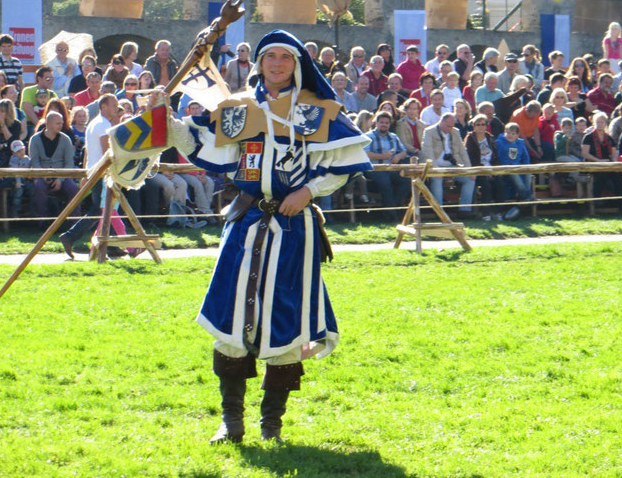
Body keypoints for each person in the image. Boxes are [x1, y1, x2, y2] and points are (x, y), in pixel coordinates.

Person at [165, 30, 371, 444]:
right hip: (245, 226)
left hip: (294, 232)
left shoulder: (316, 110)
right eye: (269, 57)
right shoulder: (240, 108)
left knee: (285, 325)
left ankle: (271, 425)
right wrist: (165, 121)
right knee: (232, 321)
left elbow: (344, 161)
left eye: (285, 58)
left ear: (297, 65)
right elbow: (208, 150)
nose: (276, 64)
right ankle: (232, 421)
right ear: (258, 63)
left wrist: (307, 192)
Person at [59, 94, 119, 258]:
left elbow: (87, 150)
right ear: (104, 106)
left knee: (104, 208)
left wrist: (87, 172)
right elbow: (107, 151)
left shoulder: (94, 123)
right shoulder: (103, 125)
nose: (116, 108)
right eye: (114, 105)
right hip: (102, 172)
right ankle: (70, 236)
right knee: (101, 209)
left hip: (95, 171)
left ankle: (112, 244)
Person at [29, 112, 80, 225]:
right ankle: (43, 221)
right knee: (39, 187)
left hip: (62, 174)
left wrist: (60, 179)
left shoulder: (65, 139)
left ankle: (74, 222)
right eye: (58, 123)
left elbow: (69, 162)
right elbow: (35, 161)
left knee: (74, 189)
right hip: (42, 174)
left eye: (61, 123)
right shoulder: (35, 139)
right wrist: (44, 175)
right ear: (49, 124)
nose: (61, 126)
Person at [421, 113, 476, 217]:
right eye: (448, 126)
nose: (450, 128)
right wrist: (436, 169)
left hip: (452, 165)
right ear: (441, 122)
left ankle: (465, 210)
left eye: (452, 126)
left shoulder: (455, 132)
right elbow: (427, 152)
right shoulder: (429, 131)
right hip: (435, 165)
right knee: (437, 179)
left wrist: (469, 170)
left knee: (470, 179)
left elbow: (463, 152)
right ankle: (439, 211)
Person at [364, 111, 410, 219]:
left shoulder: (393, 137)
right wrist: (382, 156)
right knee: (385, 182)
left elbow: (404, 151)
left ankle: (391, 209)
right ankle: (392, 214)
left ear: (390, 124)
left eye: (386, 123)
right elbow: (366, 154)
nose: (384, 124)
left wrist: (398, 157)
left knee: (407, 181)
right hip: (374, 169)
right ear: (376, 123)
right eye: (382, 122)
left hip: (391, 168)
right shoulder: (368, 136)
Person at [464, 113, 503, 220]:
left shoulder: (490, 138)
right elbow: (470, 158)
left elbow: (495, 156)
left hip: (491, 168)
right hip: (477, 170)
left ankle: (498, 213)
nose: (480, 127)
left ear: (486, 125)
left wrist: (495, 169)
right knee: (486, 185)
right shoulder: (470, 138)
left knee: (500, 184)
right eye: (478, 124)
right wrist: (484, 170)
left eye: (483, 124)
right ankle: (486, 214)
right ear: (474, 126)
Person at [581, 111, 622, 200]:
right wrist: (598, 161)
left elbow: (613, 155)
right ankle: (597, 200)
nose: (599, 124)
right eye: (597, 122)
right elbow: (585, 153)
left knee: (618, 176)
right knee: (601, 174)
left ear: (605, 123)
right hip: (592, 163)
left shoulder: (609, 138)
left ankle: (620, 202)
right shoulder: (588, 137)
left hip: (607, 164)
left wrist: (614, 165)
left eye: (601, 122)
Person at [496, 122, 533, 201]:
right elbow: (498, 157)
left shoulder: (520, 143)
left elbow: (525, 157)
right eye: (508, 133)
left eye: (513, 133)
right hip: (506, 168)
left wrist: (526, 166)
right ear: (504, 133)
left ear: (517, 135)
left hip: (518, 167)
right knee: (513, 173)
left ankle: (525, 194)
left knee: (528, 172)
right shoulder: (499, 143)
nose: (510, 135)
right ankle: (526, 195)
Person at [554, 118, 584, 183]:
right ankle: (572, 177)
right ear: (562, 127)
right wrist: (565, 137)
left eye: (569, 129)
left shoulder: (570, 136)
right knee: (573, 162)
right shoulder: (558, 135)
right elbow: (558, 144)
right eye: (566, 128)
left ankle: (575, 175)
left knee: (578, 160)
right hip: (560, 155)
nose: (568, 130)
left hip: (568, 155)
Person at [8, 139, 33, 217]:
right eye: (18, 151)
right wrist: (18, 181)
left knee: (33, 190)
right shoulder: (13, 159)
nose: (21, 152)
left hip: (26, 179)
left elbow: (30, 168)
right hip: (16, 180)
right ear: (13, 153)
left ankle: (32, 210)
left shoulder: (27, 159)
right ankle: (15, 211)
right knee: (18, 192)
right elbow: (15, 171)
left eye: (22, 150)